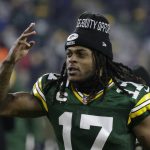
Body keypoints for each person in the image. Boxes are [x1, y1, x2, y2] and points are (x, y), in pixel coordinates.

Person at [0, 12, 150, 150]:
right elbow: (3, 107)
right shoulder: (54, 90)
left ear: (100, 60)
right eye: (69, 54)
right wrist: (9, 63)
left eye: (81, 54)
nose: (72, 59)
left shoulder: (130, 98)